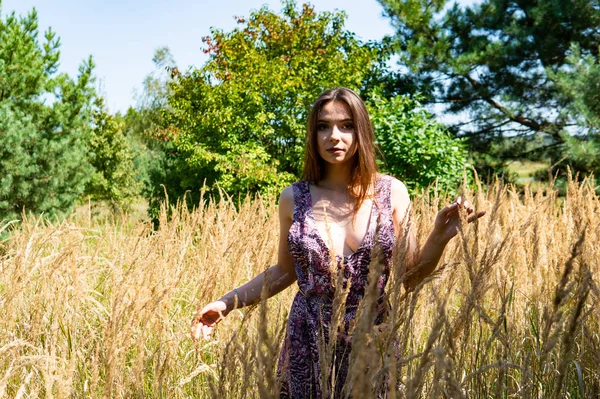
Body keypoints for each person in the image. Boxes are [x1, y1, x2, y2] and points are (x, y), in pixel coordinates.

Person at [190, 87, 485, 398]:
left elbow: (409, 276)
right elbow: (283, 272)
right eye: (323, 126)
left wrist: (439, 236)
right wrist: (226, 304)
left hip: (374, 339)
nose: (334, 136)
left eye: (346, 126)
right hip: (308, 343)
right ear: (313, 135)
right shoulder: (294, 198)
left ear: (361, 131)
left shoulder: (392, 192)